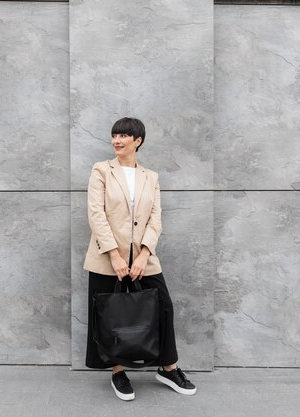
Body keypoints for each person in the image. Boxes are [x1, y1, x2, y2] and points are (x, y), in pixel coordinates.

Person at [83, 117, 196, 401]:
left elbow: (155, 218)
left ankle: (168, 368)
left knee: (164, 308)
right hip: (106, 256)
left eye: (123, 136)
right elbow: (96, 214)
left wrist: (145, 253)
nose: (116, 140)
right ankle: (117, 371)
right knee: (109, 315)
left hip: (143, 257)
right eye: (114, 135)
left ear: (138, 141)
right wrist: (114, 255)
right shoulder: (101, 171)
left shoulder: (151, 177)